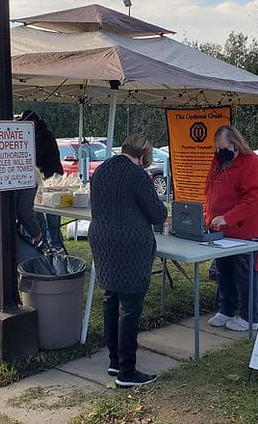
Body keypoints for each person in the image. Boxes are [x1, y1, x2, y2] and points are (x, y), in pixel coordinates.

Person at [89, 134, 167, 388]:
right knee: (131, 306)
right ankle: (127, 371)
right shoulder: (137, 175)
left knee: (110, 299)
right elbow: (156, 214)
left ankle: (114, 361)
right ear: (144, 155)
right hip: (130, 246)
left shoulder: (101, 170)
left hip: (102, 240)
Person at [204, 125, 258, 332]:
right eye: (218, 148)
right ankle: (227, 309)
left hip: (245, 230)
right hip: (222, 230)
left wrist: (228, 218)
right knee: (224, 271)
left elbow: (254, 199)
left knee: (244, 274)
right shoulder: (218, 161)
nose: (220, 151)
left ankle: (250, 317)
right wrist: (209, 216)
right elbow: (210, 191)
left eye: (223, 147)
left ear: (235, 143)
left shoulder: (251, 163)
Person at [18, 110, 64, 250]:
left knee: (52, 212)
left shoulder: (44, 136)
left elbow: (34, 155)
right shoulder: (39, 134)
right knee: (38, 209)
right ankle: (44, 240)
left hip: (52, 177)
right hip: (44, 177)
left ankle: (56, 244)